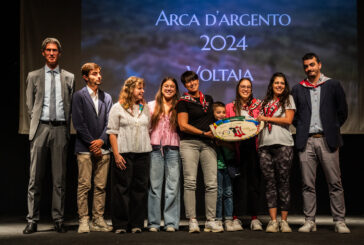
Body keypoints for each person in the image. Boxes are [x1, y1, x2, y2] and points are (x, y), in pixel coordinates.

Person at [292, 53, 350, 233]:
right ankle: (310, 221)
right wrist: (302, 129)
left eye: (312, 65)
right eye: (306, 66)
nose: (309, 69)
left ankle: (339, 221)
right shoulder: (297, 88)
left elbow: (343, 112)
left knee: (335, 183)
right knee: (307, 184)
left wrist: (332, 128)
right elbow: (295, 117)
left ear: (319, 65)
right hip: (306, 141)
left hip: (327, 140)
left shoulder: (333, 85)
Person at [24, 37, 74, 234]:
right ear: (43, 53)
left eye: (55, 50)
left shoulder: (69, 77)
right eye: (49, 50)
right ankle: (32, 219)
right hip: (41, 129)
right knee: (35, 178)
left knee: (59, 178)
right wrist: (39, 124)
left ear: (59, 53)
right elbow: (30, 106)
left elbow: (69, 106)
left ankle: (58, 219)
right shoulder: (34, 76)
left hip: (61, 129)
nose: (52, 53)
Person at [177, 71, 223, 233]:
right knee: (190, 183)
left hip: (209, 144)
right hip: (189, 144)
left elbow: (214, 121)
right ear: (185, 85)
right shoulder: (182, 102)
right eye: (188, 82)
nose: (191, 84)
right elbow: (182, 125)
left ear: (198, 80)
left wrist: (220, 133)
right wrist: (203, 133)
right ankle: (193, 220)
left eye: (193, 80)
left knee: (212, 184)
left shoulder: (208, 99)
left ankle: (210, 220)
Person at [107, 76, 152, 234]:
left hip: (143, 154)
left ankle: (136, 224)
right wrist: (116, 154)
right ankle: (120, 224)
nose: (142, 91)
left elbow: (149, 129)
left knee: (139, 189)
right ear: (130, 89)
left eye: (142, 88)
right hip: (124, 153)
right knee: (121, 189)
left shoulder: (145, 108)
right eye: (139, 88)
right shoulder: (117, 107)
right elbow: (112, 133)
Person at [72, 63, 113, 233]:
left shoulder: (107, 97)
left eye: (99, 73)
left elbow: (109, 123)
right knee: (84, 185)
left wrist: (101, 141)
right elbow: (79, 124)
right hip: (84, 148)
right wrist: (92, 143)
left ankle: (98, 219)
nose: (99, 76)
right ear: (86, 77)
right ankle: (84, 219)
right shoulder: (78, 96)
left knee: (100, 186)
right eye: (94, 74)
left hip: (103, 149)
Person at [257, 72, 295, 233]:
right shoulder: (265, 102)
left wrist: (266, 118)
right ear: (271, 85)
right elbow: (260, 122)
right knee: (269, 184)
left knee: (283, 182)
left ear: (285, 86)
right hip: (265, 146)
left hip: (283, 145)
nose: (279, 85)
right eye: (276, 83)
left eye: (282, 83)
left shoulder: (288, 99)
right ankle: (273, 221)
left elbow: (288, 120)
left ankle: (284, 221)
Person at [225, 78, 263, 231]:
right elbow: (226, 128)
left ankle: (254, 218)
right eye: (242, 86)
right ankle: (235, 217)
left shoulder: (259, 106)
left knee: (254, 185)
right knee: (237, 185)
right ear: (238, 88)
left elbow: (262, 124)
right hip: (236, 149)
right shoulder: (230, 107)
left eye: (248, 87)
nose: (245, 89)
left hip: (254, 148)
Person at [147, 77, 181, 232]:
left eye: (172, 86)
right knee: (155, 187)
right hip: (155, 148)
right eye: (166, 86)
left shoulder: (180, 106)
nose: (169, 88)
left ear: (176, 89)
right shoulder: (151, 105)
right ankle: (153, 223)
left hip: (173, 148)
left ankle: (171, 223)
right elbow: (146, 128)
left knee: (172, 187)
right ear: (161, 88)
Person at [213, 102, 236, 232]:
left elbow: (233, 146)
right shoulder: (211, 128)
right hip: (216, 165)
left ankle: (228, 219)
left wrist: (223, 142)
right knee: (218, 193)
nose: (221, 115)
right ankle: (218, 219)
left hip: (228, 164)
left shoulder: (230, 128)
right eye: (218, 112)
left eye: (223, 112)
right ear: (213, 114)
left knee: (228, 193)